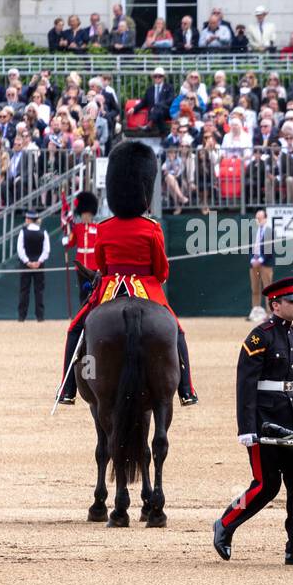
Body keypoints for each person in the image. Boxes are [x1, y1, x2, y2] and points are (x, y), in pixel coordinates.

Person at [58, 141, 196, 406]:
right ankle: (187, 390)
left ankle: (68, 387)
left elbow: (101, 263)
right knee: (177, 332)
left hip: (110, 284)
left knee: (76, 328)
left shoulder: (105, 227)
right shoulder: (152, 227)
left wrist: (109, 276)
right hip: (147, 286)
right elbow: (161, 270)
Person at [212, 276, 293, 565]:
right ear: (275, 305)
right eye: (291, 302)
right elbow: (245, 384)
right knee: (267, 485)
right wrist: (246, 428)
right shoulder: (259, 337)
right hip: (263, 421)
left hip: (290, 420)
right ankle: (225, 524)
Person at [63, 191, 100, 303]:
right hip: (81, 266)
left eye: (88, 215)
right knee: (83, 291)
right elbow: (71, 243)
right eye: (84, 215)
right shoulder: (77, 228)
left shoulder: (97, 227)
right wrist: (66, 239)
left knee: (94, 291)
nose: (86, 218)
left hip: (93, 265)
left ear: (92, 215)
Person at [17, 207, 50, 322]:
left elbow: (20, 249)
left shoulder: (23, 232)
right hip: (39, 265)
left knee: (24, 290)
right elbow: (46, 250)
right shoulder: (43, 232)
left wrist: (27, 262)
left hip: (26, 265)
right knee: (39, 291)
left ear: (29, 219)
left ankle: (22, 317)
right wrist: (39, 262)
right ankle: (40, 317)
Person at [248, 207, 275, 320]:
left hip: (266, 264)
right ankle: (255, 312)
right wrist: (252, 260)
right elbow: (249, 248)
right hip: (253, 264)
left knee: (268, 289)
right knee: (255, 288)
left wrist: (261, 260)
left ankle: (270, 314)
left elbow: (269, 248)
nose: (258, 220)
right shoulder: (253, 231)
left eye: (260, 218)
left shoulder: (270, 231)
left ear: (265, 219)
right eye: (257, 218)